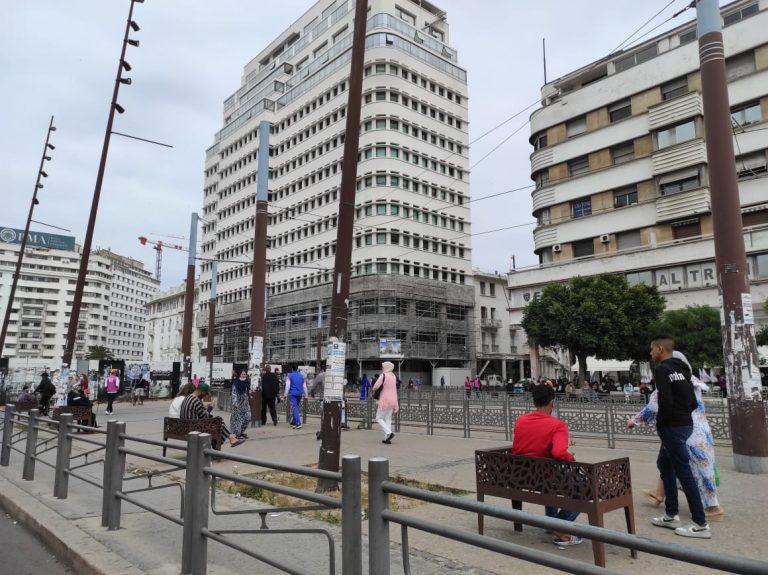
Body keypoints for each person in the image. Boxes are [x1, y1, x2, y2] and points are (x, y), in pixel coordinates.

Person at [628, 351, 724, 522]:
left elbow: (654, 407)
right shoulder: (691, 379)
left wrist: (634, 421)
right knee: (670, 463)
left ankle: (706, 512)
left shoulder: (669, 380)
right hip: (700, 431)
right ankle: (662, 496)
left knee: (689, 470)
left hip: (680, 431)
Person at [644, 337, 710, 539]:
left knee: (683, 471)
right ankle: (671, 514)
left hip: (672, 426)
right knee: (664, 464)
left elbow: (664, 400)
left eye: (652, 349)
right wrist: (682, 415)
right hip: (685, 423)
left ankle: (700, 524)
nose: (651, 353)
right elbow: (692, 401)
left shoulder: (662, 369)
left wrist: (662, 423)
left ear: (660, 348)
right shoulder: (683, 369)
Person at [512, 384, 581, 547]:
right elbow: (559, 453)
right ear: (552, 403)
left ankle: (552, 521)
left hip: (519, 476)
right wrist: (570, 457)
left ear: (534, 402)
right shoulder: (557, 425)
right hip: (544, 478)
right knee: (585, 487)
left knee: (549, 477)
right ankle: (558, 526)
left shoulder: (521, 420)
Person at [179, 382, 244, 447]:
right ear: (201, 391)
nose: (205, 396)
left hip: (185, 428)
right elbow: (205, 417)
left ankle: (230, 439)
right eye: (205, 393)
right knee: (219, 421)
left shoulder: (187, 397)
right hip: (194, 429)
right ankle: (225, 442)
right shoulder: (196, 400)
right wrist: (209, 409)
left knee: (217, 421)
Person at [372, 361, 399, 444]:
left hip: (385, 400)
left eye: (383, 367)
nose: (382, 368)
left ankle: (389, 432)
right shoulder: (394, 376)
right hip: (393, 400)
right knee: (388, 419)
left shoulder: (383, 375)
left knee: (378, 418)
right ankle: (386, 438)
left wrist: (373, 389)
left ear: (386, 367)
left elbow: (376, 386)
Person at [230, 371, 251, 439]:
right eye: (242, 374)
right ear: (240, 375)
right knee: (238, 419)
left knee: (247, 418)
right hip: (238, 404)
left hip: (245, 404)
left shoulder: (247, 382)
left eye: (245, 374)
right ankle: (237, 434)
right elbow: (234, 393)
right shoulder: (236, 383)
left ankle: (241, 432)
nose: (243, 375)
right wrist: (235, 403)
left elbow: (248, 392)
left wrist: (250, 394)